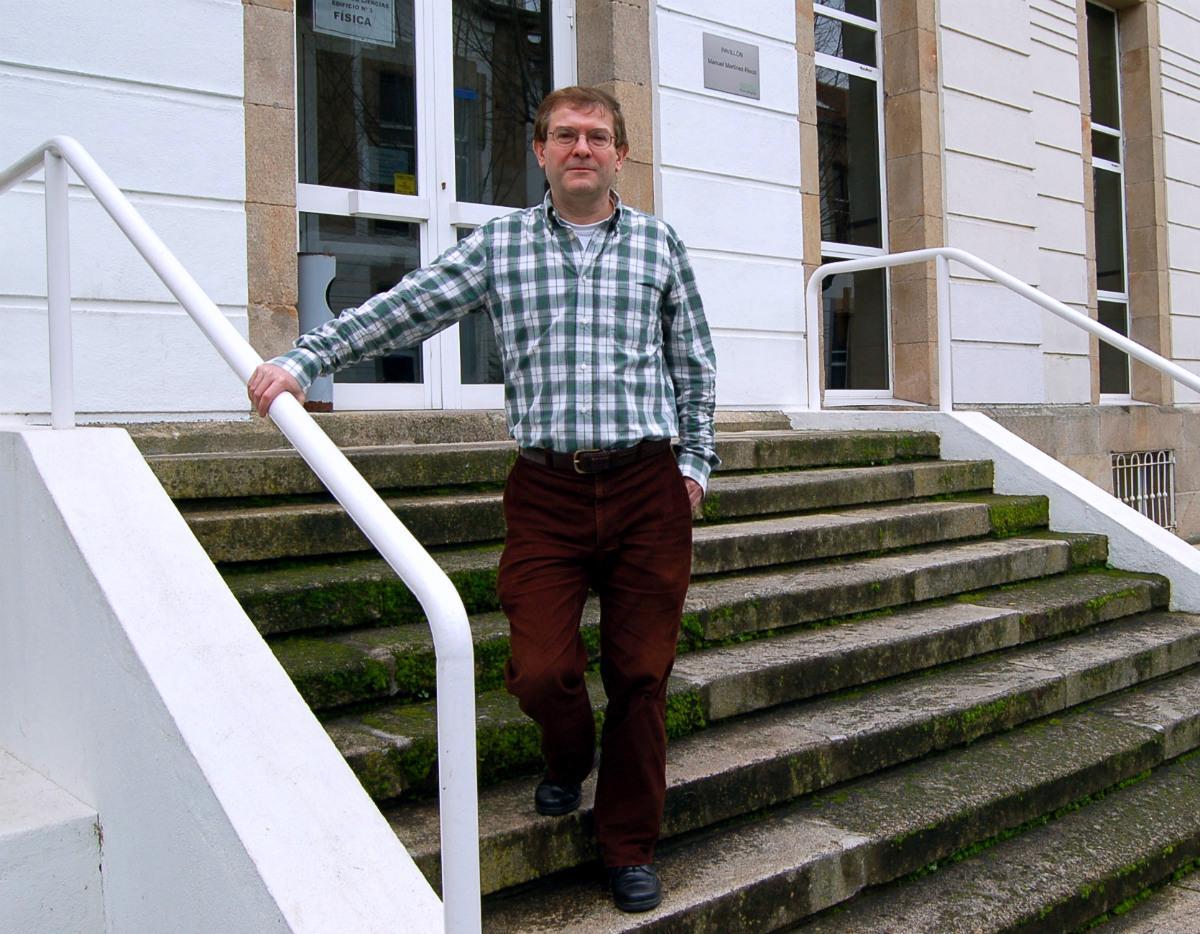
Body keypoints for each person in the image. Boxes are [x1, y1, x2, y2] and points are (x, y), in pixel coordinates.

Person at [247, 85, 718, 913]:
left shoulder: (659, 244)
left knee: (642, 674)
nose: (581, 148)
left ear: (620, 155)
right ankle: (568, 757)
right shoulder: (501, 245)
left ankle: (627, 845)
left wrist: (697, 464)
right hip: (547, 490)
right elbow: (406, 308)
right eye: (564, 135)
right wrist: (305, 358)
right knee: (540, 670)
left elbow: (693, 360)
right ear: (540, 152)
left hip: (646, 485)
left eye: (596, 136)